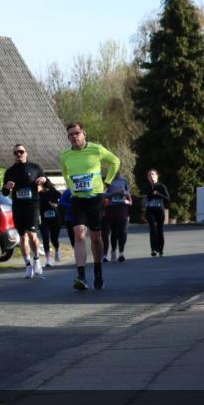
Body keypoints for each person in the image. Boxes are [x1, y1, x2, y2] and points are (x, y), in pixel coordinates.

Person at [60, 122, 120, 291]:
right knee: (78, 235)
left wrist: (107, 182)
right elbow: (66, 174)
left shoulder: (96, 149)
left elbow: (115, 161)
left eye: (77, 133)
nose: (74, 136)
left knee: (96, 238)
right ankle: (81, 275)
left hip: (95, 199)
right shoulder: (65, 155)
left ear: (84, 133)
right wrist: (71, 189)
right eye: (70, 134)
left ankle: (98, 270)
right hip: (78, 199)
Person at [2, 144, 47, 279]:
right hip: (18, 206)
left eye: (21, 152)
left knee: (32, 234)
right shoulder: (10, 172)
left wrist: (44, 180)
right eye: (16, 153)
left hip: (32, 205)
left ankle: (37, 259)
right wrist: (7, 187)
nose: (19, 154)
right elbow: (4, 192)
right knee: (22, 236)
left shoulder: (35, 168)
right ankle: (28, 265)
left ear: (26, 153)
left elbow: (46, 184)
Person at [102, 174, 132, 262]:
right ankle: (113, 251)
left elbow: (128, 192)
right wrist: (114, 193)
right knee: (114, 230)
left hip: (122, 206)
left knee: (122, 230)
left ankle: (121, 253)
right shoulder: (107, 179)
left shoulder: (124, 180)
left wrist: (123, 192)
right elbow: (104, 195)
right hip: (111, 208)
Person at [143, 168, 171, 257]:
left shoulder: (161, 186)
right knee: (152, 230)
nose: (151, 176)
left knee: (159, 230)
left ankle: (161, 250)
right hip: (150, 211)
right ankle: (153, 250)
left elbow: (168, 198)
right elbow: (146, 198)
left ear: (157, 176)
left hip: (159, 210)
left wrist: (158, 194)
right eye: (149, 175)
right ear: (147, 178)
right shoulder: (147, 187)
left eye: (152, 174)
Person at [38, 178, 62, 267]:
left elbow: (61, 201)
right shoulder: (39, 194)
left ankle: (57, 248)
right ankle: (48, 259)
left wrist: (56, 205)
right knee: (45, 238)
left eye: (42, 186)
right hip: (43, 219)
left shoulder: (54, 192)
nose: (42, 188)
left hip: (55, 218)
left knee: (54, 239)